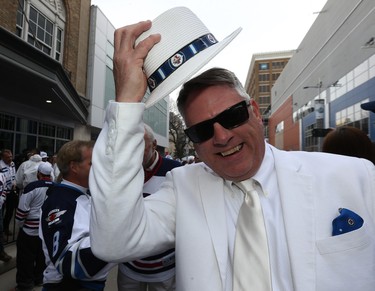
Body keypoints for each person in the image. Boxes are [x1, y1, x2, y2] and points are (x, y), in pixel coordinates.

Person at [89, 7, 375, 291]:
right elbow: (113, 240)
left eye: (232, 116)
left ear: (253, 110)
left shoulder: (355, 176)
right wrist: (127, 102)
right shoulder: (183, 189)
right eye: (201, 130)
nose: (222, 136)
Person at [39, 140, 115, 290]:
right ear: (74, 166)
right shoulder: (60, 202)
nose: (100, 168)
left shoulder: (83, 194)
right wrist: (119, 236)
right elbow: (68, 262)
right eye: (93, 163)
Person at [117, 124, 182, 291]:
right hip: (129, 263)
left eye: (141, 144)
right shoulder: (120, 171)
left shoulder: (176, 171)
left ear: (154, 145)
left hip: (164, 266)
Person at [15, 163, 55, 291]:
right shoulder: (56, 188)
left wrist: (20, 224)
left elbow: (22, 209)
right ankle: (39, 278)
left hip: (29, 229)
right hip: (47, 229)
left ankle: (25, 284)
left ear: (39, 174)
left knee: (25, 258)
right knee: (42, 256)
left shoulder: (32, 187)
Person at [1, 149, 17, 236]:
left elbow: (13, 175)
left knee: (10, 211)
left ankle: (5, 228)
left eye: (11, 157)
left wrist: (14, 182)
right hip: (2, 192)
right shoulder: (0, 165)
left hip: (11, 191)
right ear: (2, 157)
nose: (10, 159)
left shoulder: (12, 164)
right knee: (1, 211)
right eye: (7, 157)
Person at [0, 171, 12, 262]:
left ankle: (1, 252)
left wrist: (2, 199)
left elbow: (4, 188)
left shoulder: (2, 175)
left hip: (0, 206)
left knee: (0, 229)